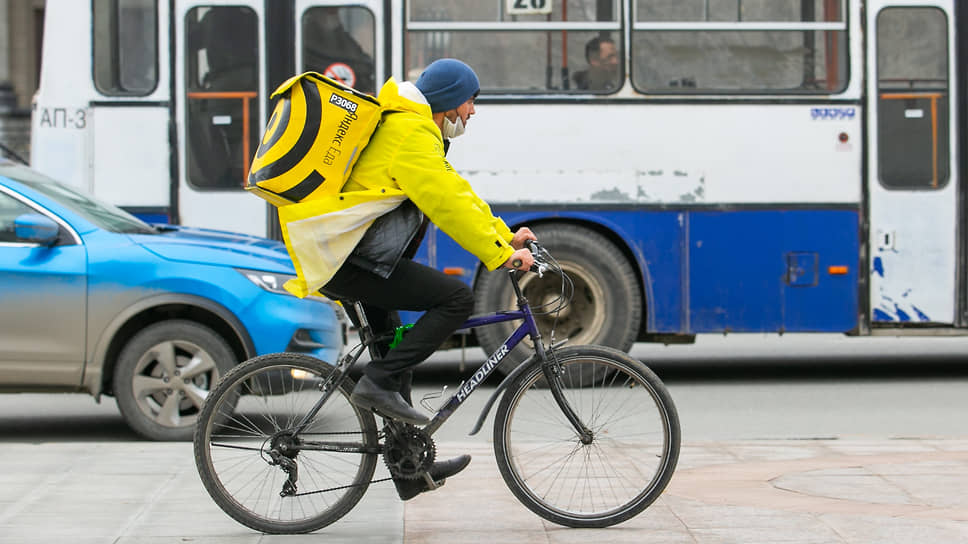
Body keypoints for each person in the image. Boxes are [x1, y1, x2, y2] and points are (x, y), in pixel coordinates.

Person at [312, 58, 536, 500]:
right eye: (471, 102)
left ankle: (410, 469)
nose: (472, 112)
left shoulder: (415, 131)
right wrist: (499, 257)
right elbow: (446, 205)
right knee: (455, 298)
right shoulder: (409, 134)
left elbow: (457, 192)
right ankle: (374, 383)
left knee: (398, 349)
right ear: (451, 101)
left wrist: (504, 236)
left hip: (354, 258)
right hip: (351, 261)